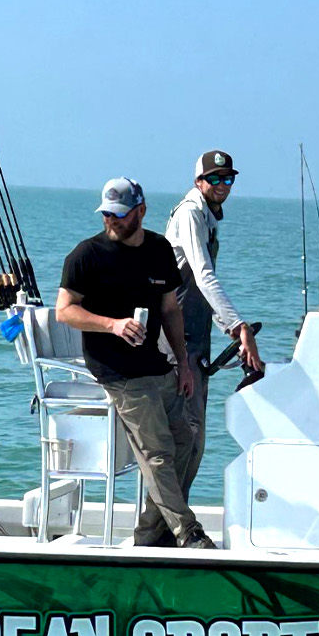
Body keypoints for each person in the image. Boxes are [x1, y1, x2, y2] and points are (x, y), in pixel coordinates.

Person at [56, 177, 216, 549]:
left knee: (188, 441)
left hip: (157, 363)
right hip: (118, 371)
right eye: (107, 213)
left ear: (141, 212)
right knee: (157, 450)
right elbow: (65, 311)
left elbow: (171, 309)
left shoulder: (159, 249)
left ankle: (149, 534)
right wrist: (112, 325)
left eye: (119, 214)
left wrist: (183, 364)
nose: (111, 220)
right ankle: (187, 532)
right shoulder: (85, 255)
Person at [163, 149, 262, 494]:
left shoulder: (208, 217)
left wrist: (228, 329)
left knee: (194, 439)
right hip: (178, 339)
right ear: (198, 182)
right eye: (214, 179)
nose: (222, 185)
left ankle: (174, 519)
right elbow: (203, 277)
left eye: (228, 178)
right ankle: (164, 526)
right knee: (184, 435)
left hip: (197, 335)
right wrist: (239, 327)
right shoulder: (190, 215)